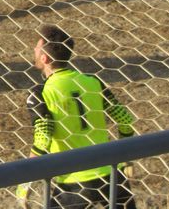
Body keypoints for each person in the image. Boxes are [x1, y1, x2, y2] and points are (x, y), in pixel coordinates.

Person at [18, 24, 137, 208]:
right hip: (113, 175)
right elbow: (125, 119)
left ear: (45, 58)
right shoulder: (93, 82)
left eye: (36, 47)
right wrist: (125, 157)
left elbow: (43, 137)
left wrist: (26, 181)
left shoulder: (40, 93)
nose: (33, 49)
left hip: (75, 182)